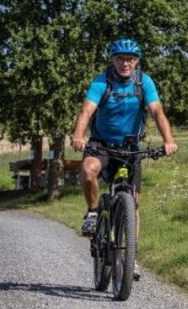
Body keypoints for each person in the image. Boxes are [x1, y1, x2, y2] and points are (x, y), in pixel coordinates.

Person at [71, 38, 178, 278]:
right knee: (88, 170)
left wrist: (168, 140)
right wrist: (78, 135)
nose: (125, 63)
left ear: (136, 61)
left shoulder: (143, 81)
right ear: (113, 60)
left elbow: (157, 111)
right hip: (102, 144)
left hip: (130, 146)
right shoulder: (102, 81)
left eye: (130, 59)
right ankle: (92, 211)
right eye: (120, 58)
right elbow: (86, 110)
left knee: (132, 201)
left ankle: (130, 257)